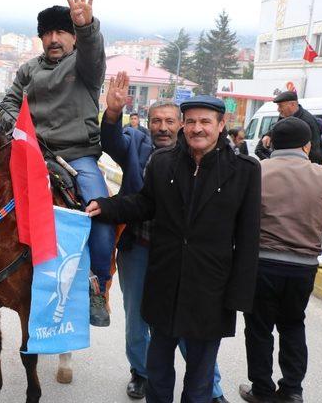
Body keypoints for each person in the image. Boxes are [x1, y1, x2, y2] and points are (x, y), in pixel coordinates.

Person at [87, 95, 260, 403]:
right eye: (191, 121)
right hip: (164, 281)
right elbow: (145, 203)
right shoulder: (163, 162)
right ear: (185, 124)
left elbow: (248, 238)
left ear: (221, 126)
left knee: (200, 376)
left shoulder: (244, 170)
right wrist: (106, 206)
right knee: (159, 370)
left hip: (211, 289)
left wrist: (240, 295)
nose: (197, 129)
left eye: (205, 122)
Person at [102, 73, 228, 403]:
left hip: (184, 256)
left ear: (182, 124)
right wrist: (113, 114)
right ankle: (141, 373)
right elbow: (112, 142)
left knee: (191, 325)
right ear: (147, 123)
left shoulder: (201, 153)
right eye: (156, 121)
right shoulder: (136, 144)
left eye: (170, 121)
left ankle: (210, 387)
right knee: (137, 320)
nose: (163, 127)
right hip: (141, 249)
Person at [0, 0, 115, 326]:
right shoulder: (28, 70)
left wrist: (87, 26)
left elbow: (93, 51)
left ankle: (97, 286)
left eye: (61, 31)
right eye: (47, 32)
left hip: (77, 156)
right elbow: (9, 102)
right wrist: (11, 121)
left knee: (100, 209)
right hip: (30, 154)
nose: (53, 38)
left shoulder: (85, 65)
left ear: (73, 37)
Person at [239, 117, 322, 403]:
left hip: (261, 263)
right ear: (307, 145)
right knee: (293, 325)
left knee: (259, 328)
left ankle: (262, 390)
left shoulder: (255, 171)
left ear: (271, 142)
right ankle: (292, 390)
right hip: (303, 267)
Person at [259, 91, 322, 163]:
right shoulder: (285, 115)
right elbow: (278, 127)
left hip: (301, 165)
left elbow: (314, 150)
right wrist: (268, 135)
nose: (278, 110)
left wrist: (308, 168)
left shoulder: (307, 121)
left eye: (280, 106)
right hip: (284, 161)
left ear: (292, 104)